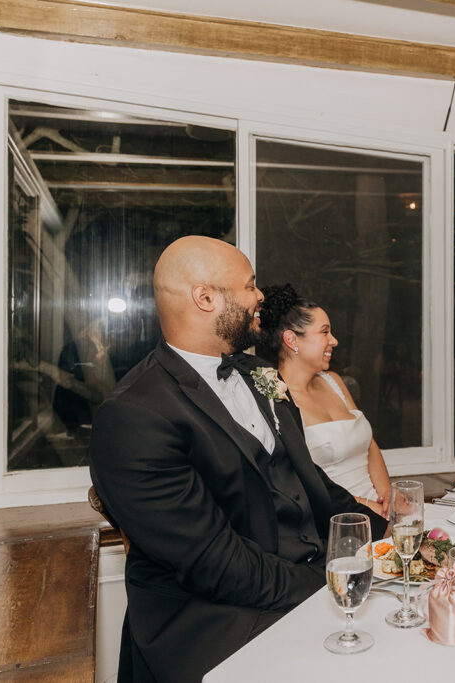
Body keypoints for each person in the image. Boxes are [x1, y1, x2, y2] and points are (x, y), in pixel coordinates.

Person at [88, 237, 385, 683]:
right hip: (214, 619)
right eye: (249, 285)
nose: (260, 296)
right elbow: (215, 562)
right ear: (205, 298)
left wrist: (390, 539)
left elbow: (310, 481)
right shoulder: (134, 415)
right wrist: (331, 582)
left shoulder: (258, 375)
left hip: (299, 581)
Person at [258, 284, 391, 517]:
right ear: (291, 340)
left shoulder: (334, 382)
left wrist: (387, 495)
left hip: (380, 508)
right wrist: (370, 510)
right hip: (336, 517)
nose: (334, 340)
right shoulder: (275, 397)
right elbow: (301, 482)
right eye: (325, 332)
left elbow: (369, 445)